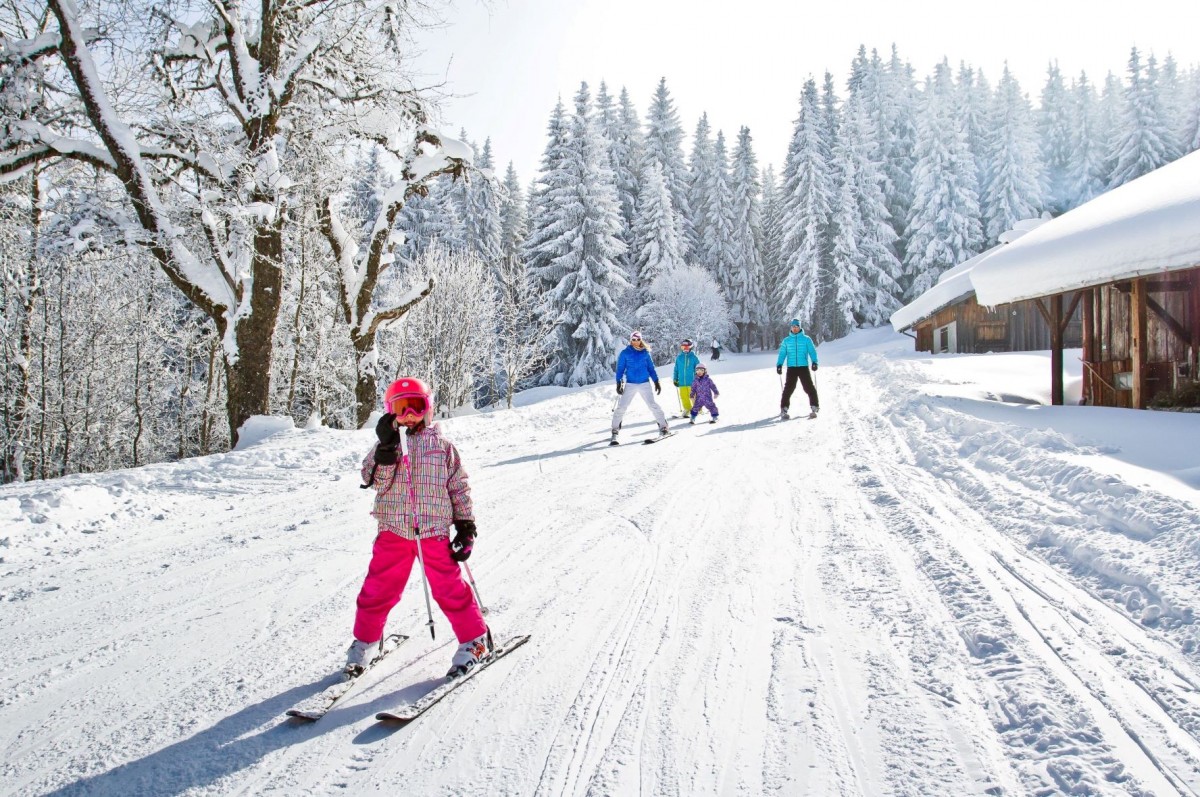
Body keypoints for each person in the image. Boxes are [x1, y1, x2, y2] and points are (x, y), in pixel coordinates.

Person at [350, 377, 489, 678]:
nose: (410, 414)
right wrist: (385, 454)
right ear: (390, 413)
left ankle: (475, 639)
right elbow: (371, 481)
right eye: (402, 408)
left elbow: (459, 487)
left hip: (433, 532)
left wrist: (465, 527)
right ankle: (367, 641)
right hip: (393, 531)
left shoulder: (442, 447)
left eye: (417, 406)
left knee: (450, 589)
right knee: (377, 589)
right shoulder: (384, 446)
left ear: (429, 409)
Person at [611, 330, 668, 444]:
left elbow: (651, 368)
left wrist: (656, 381)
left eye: (638, 339)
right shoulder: (625, 353)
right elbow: (620, 369)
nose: (636, 341)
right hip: (631, 383)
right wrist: (619, 382)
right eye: (634, 339)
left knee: (652, 405)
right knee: (622, 407)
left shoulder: (645, 353)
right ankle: (615, 431)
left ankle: (663, 427)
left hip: (644, 383)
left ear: (640, 340)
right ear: (630, 340)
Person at [775, 319, 819, 420]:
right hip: (791, 368)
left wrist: (814, 362)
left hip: (803, 367)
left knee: (808, 387)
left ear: (799, 327)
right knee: (789, 388)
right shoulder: (786, 341)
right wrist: (779, 365)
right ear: (791, 327)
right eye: (793, 327)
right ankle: (784, 408)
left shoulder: (806, 339)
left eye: (796, 327)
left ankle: (814, 406)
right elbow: (782, 354)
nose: (795, 328)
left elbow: (812, 351)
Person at [672, 339, 700, 418]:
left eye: (687, 347)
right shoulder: (679, 358)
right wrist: (675, 379)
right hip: (681, 382)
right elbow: (676, 369)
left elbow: (698, 369)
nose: (685, 349)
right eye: (683, 347)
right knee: (684, 396)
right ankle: (687, 409)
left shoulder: (694, 357)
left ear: (690, 347)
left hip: (692, 381)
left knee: (693, 396)